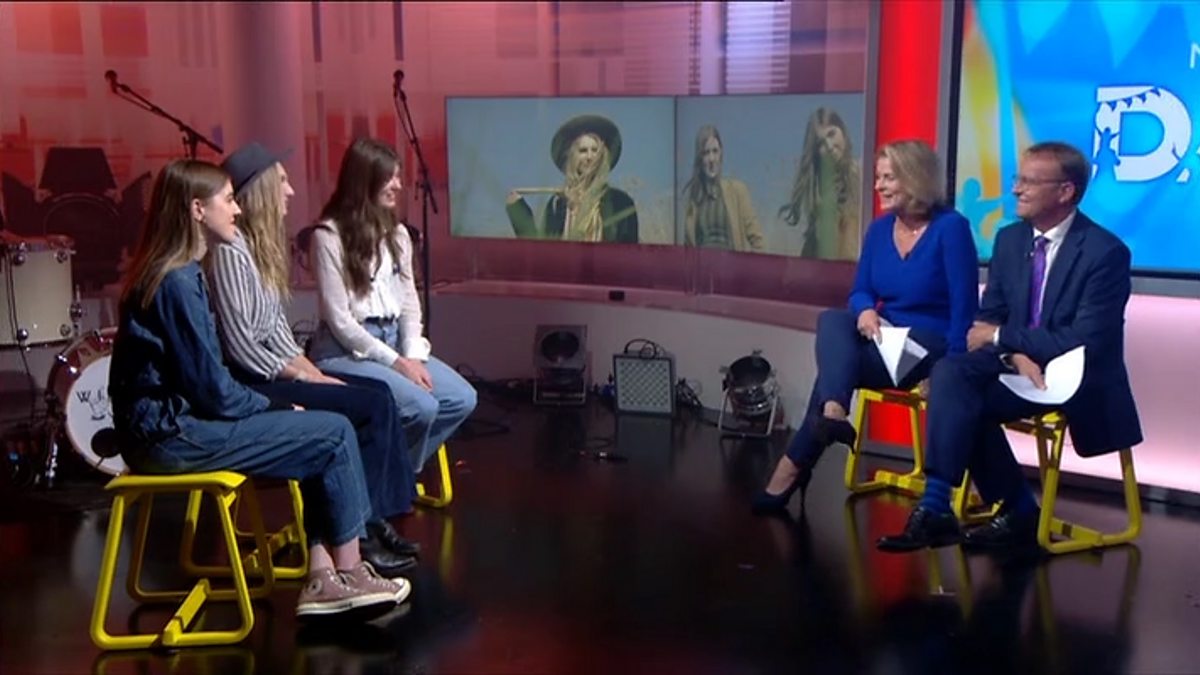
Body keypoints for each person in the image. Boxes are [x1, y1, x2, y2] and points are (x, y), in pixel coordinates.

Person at [107, 159, 409, 618]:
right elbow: (213, 389)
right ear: (197, 210)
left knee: (325, 431)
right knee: (333, 433)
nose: (237, 210)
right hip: (169, 436)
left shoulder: (180, 273)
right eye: (228, 200)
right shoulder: (176, 282)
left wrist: (282, 406)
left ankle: (327, 575)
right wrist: (276, 407)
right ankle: (348, 571)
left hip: (173, 427)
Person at [876, 141, 1142, 552]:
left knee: (963, 400)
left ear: (1065, 191)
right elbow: (988, 320)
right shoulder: (1010, 240)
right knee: (952, 375)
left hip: (1073, 376)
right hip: (1018, 364)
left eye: (1028, 182)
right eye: (1018, 179)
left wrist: (1003, 339)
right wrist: (1013, 352)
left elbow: (1083, 340)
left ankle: (1012, 509)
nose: (1016, 189)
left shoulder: (1104, 253)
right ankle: (938, 504)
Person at [204, 141, 420, 577]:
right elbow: (244, 348)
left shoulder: (258, 249)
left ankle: (371, 520)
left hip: (278, 373)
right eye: (282, 182)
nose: (290, 192)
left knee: (377, 396)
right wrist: (308, 380)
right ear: (261, 190)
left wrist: (313, 372)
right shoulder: (229, 253)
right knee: (368, 406)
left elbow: (278, 334)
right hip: (255, 383)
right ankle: (364, 529)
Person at [752, 140, 979, 515]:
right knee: (833, 319)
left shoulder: (951, 229)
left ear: (915, 178)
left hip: (929, 347)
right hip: (885, 339)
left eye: (888, 178)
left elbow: (964, 308)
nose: (878, 186)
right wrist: (864, 311)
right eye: (878, 177)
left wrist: (951, 367)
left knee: (836, 369)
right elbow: (860, 290)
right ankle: (832, 413)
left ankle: (798, 459)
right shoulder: (879, 230)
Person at [307, 138, 477, 476]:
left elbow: (409, 301)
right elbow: (340, 321)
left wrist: (412, 353)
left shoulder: (397, 234)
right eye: (391, 177)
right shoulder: (327, 237)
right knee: (421, 406)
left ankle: (394, 477)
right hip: (345, 351)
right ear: (365, 180)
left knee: (461, 398)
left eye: (398, 176)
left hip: (395, 341)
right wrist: (398, 363)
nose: (399, 185)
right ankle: (384, 483)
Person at [506, 114, 638, 243]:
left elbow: (629, 252)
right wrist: (517, 210)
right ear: (573, 157)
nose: (589, 157)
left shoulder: (621, 203)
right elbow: (541, 250)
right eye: (583, 151)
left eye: (595, 150)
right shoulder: (557, 204)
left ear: (603, 157)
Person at [778, 107, 862, 260]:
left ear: (843, 131)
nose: (829, 146)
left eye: (831, 134)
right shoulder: (819, 191)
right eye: (821, 143)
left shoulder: (863, 175)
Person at [682, 125, 765, 252]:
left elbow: (758, 241)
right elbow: (687, 252)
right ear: (700, 158)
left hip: (731, 263)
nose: (711, 159)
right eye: (706, 153)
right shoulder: (693, 202)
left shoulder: (737, 191)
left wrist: (749, 265)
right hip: (702, 264)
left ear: (721, 153)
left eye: (715, 151)